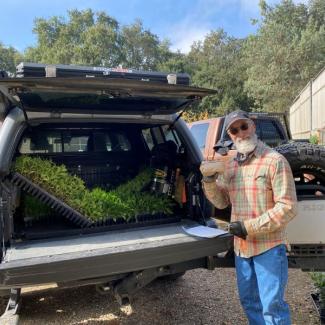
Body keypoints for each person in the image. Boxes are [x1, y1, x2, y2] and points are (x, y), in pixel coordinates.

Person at [200, 110, 297, 325]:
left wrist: (248, 227)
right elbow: (222, 202)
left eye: (243, 127)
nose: (240, 133)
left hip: (269, 246)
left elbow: (288, 207)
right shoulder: (232, 165)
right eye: (234, 130)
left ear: (252, 126)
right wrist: (208, 181)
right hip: (242, 249)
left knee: (272, 306)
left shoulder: (274, 161)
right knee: (249, 302)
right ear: (230, 135)